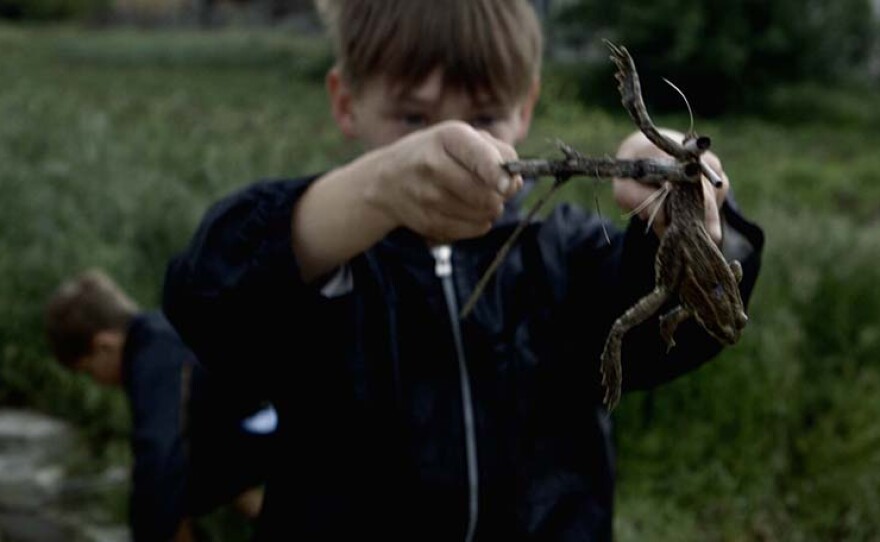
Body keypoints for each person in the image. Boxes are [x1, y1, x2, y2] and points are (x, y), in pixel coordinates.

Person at [162, 0, 764, 539]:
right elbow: (208, 295)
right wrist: (374, 191)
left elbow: (692, 321)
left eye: (484, 117)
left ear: (526, 106)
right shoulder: (328, 268)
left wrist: (699, 208)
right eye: (413, 121)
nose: (455, 145)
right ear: (346, 103)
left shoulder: (570, 259)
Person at [45, 269, 275, 542]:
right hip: (270, 434)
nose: (97, 381)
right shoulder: (164, 331)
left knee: (165, 483)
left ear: (104, 346)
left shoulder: (152, 356)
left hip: (293, 438)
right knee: (188, 468)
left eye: (88, 370)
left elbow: (159, 459)